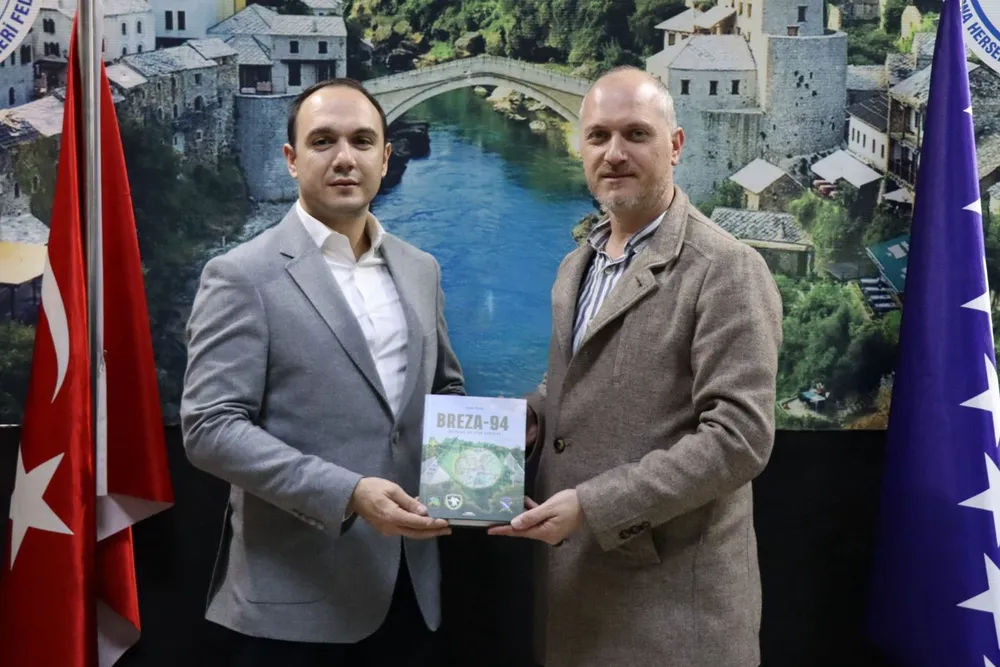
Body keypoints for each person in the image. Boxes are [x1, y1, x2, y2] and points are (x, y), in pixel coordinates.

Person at [490, 66, 783, 667]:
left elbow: (739, 440)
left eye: (636, 134)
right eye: (598, 136)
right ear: (580, 148)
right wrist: (536, 412)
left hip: (672, 616)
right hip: (576, 594)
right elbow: (574, 378)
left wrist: (593, 507)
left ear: (675, 146)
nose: (614, 153)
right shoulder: (577, 264)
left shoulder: (727, 268)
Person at [180, 78, 465, 667]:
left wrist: (498, 454)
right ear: (292, 159)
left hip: (412, 592)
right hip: (293, 608)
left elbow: (443, 391)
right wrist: (349, 493)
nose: (344, 158)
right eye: (322, 141)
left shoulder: (422, 268)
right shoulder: (240, 275)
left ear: (385, 157)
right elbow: (209, 428)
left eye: (362, 141)